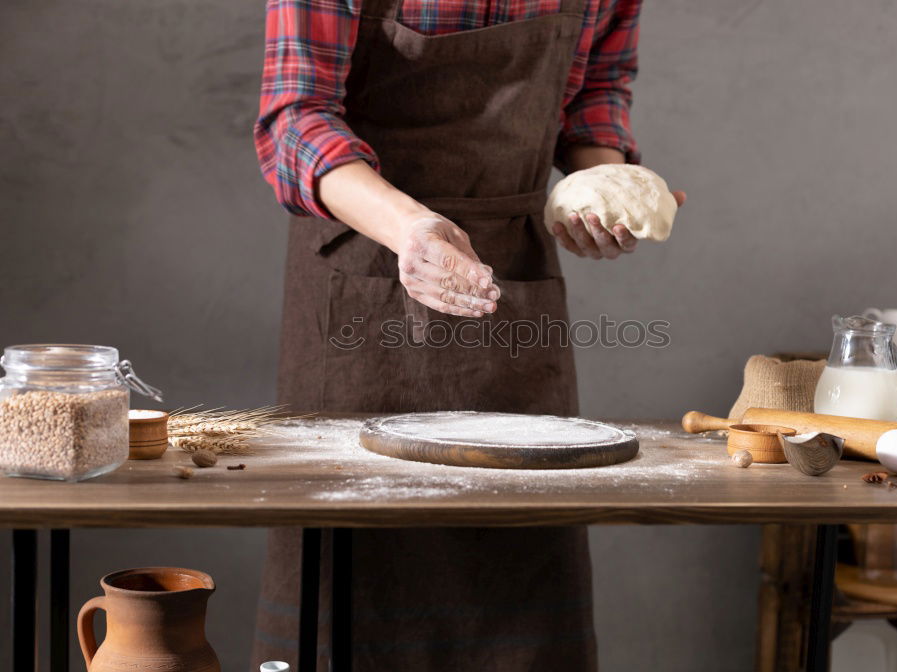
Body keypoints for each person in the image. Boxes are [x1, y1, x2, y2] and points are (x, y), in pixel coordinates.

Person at [251, 0, 684, 669]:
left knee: (520, 572)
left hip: (514, 271)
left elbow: (596, 91)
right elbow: (295, 117)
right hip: (364, 259)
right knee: (356, 580)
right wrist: (410, 229)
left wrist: (602, 179)